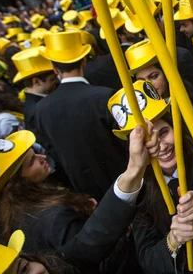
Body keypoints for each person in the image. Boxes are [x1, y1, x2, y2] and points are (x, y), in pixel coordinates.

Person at [0, 127, 156, 273]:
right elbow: (98, 257)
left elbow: (84, 246)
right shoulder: (53, 217)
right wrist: (126, 232)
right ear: (17, 184)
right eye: (31, 161)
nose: (42, 158)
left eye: (24, 267)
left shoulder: (18, 212)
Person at [108, 82, 193, 273]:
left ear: (175, 128)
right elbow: (148, 260)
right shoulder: (138, 190)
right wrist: (173, 240)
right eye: (148, 141)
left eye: (164, 132)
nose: (160, 145)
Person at [35, 31, 128, 200]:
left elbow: (54, 154)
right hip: (126, 181)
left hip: (87, 193)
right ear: (84, 61)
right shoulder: (104, 96)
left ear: (55, 69)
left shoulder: (41, 110)